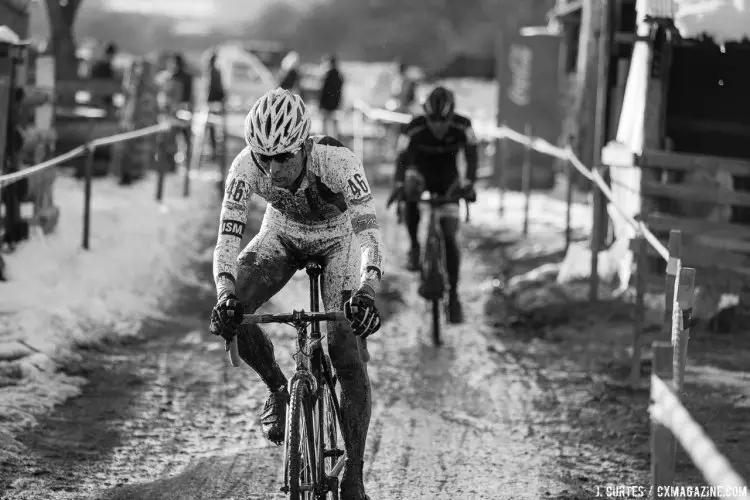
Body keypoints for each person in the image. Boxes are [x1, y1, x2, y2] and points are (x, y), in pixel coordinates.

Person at [209, 88, 383, 500]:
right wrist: (224, 293)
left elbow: (368, 233)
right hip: (281, 235)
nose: (271, 169)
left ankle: (354, 474)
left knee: (345, 351)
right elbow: (228, 239)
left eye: (283, 157)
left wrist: (367, 289)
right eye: (262, 157)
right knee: (234, 314)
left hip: (338, 240)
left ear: (304, 145)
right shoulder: (244, 166)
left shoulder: (337, 161)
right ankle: (277, 388)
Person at [386, 86, 478, 324]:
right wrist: (398, 184)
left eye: (443, 121)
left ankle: (454, 296)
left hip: (448, 182)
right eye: (433, 121)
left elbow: (472, 154)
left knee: (449, 235)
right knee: (409, 190)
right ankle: (416, 247)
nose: (438, 126)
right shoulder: (413, 127)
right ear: (425, 116)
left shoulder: (463, 126)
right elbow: (401, 158)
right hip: (420, 177)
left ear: (452, 116)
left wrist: (469, 183)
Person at [205, 51, 226, 162]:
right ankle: (214, 151)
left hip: (214, 104)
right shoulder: (212, 72)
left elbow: (217, 88)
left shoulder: (214, 72)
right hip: (212, 103)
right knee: (212, 129)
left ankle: (216, 152)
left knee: (215, 129)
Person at [318, 53, 345, 137]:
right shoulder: (339, 75)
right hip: (335, 104)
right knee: (335, 125)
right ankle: (336, 142)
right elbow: (340, 92)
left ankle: (324, 142)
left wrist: (320, 104)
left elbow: (323, 91)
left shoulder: (327, 75)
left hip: (326, 105)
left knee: (325, 125)